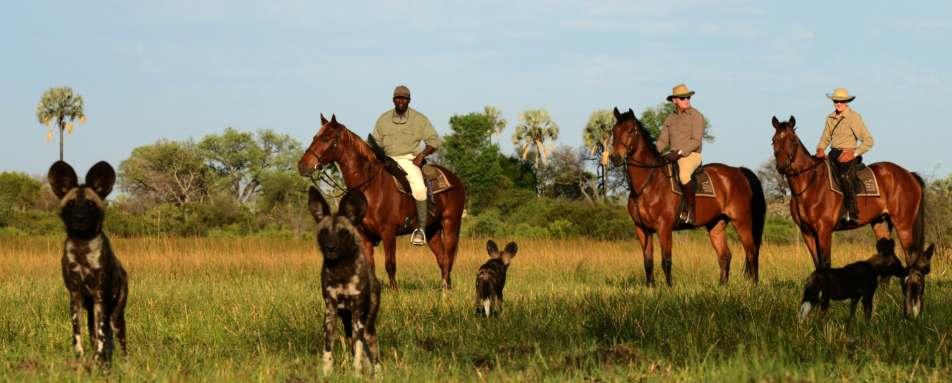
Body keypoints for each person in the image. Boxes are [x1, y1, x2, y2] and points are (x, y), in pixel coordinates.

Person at [371, 85, 441, 245]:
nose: (400, 100)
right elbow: (375, 143)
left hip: (409, 159)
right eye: (397, 98)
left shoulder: (419, 119)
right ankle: (372, 229)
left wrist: (421, 155)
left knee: (419, 188)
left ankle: (420, 230)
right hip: (387, 160)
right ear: (393, 100)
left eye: (404, 98)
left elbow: (434, 140)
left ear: (409, 100)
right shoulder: (383, 119)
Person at [815, 87, 874, 225]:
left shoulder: (854, 117)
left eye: (841, 101)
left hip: (849, 154)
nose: (838, 103)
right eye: (836, 101)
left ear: (847, 102)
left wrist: (853, 153)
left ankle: (851, 212)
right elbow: (825, 138)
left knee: (844, 177)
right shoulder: (830, 118)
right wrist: (820, 149)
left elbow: (869, 141)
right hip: (833, 153)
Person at [656, 83, 705, 225]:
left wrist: (679, 153)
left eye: (688, 97)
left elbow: (696, 141)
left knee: (683, 176)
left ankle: (690, 211)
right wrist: (653, 155)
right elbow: (662, 140)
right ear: (674, 100)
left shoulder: (696, 116)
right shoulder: (669, 119)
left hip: (691, 155)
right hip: (672, 155)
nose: (687, 100)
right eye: (683, 98)